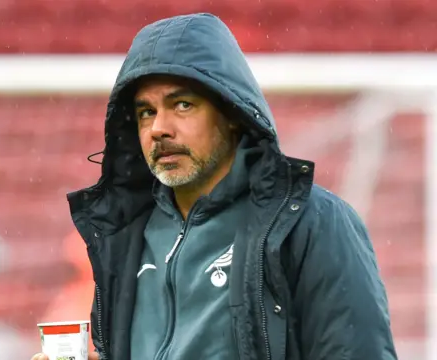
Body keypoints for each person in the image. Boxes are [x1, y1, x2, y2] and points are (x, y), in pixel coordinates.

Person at [32, 12, 397, 360]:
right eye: (147, 112)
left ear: (233, 116)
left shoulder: (314, 222)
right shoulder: (125, 236)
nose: (159, 127)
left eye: (183, 105)